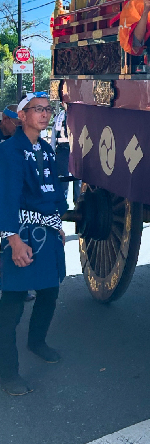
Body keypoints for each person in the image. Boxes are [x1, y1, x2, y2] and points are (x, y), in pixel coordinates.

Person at [0, 92, 67, 396]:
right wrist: (12, 239)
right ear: (22, 116)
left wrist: (58, 224)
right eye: (37, 109)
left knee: (50, 291)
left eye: (47, 109)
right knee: (12, 305)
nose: (44, 114)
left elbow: (54, 193)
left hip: (47, 232)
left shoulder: (47, 149)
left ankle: (37, 340)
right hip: (21, 234)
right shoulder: (10, 151)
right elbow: (7, 197)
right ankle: (7, 371)